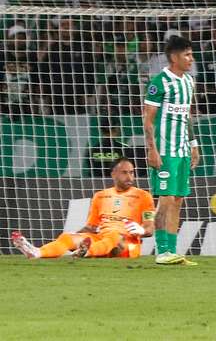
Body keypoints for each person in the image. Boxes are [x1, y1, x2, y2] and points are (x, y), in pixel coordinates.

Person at [11, 158, 154, 259]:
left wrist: (142, 230)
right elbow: (92, 226)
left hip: (128, 245)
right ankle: (37, 253)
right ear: (113, 174)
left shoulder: (143, 196)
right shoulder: (101, 196)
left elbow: (149, 229)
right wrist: (76, 235)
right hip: (101, 238)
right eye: (124, 172)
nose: (129, 176)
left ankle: (87, 252)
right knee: (67, 237)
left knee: (114, 236)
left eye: (132, 172)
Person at [143, 35, 200, 265]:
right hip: (164, 151)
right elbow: (148, 120)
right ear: (174, 57)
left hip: (183, 151)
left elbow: (187, 116)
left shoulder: (188, 81)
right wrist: (152, 150)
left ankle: (173, 252)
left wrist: (194, 145)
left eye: (191, 54)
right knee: (165, 200)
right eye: (187, 54)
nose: (191, 58)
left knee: (177, 200)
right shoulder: (159, 82)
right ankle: (162, 251)